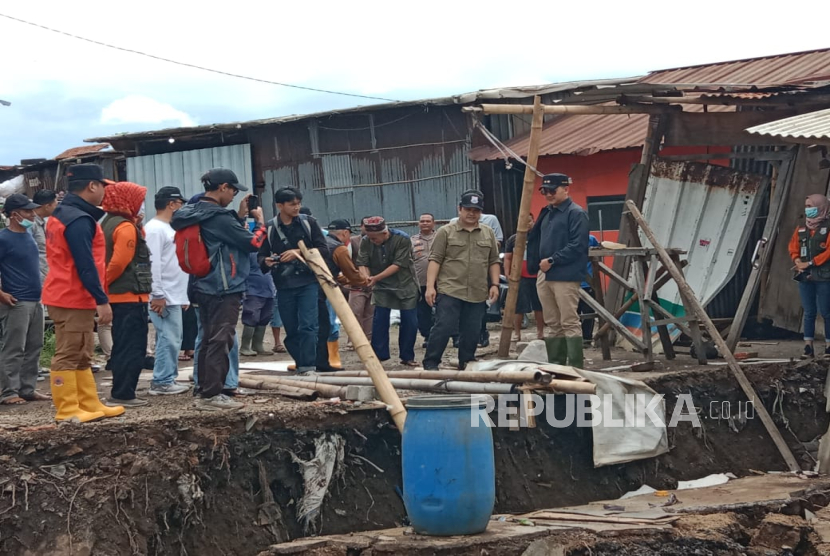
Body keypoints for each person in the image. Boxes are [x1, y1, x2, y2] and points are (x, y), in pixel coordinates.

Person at [172, 168, 266, 410]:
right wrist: (261, 224)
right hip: (225, 287)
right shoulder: (218, 217)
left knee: (206, 339)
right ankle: (212, 395)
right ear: (223, 187)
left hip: (201, 284)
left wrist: (238, 217)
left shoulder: (191, 212)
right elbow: (252, 243)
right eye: (233, 189)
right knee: (221, 339)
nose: (235, 194)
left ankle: (203, 389)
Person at [43, 163, 124, 422]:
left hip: (70, 294)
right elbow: (85, 264)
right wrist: (102, 300)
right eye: (102, 186)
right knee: (69, 352)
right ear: (91, 185)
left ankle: (89, 404)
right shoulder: (78, 219)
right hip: (72, 296)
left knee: (83, 351)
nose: (104, 192)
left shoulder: (65, 214)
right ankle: (67, 410)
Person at [423, 192, 500, 370]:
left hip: (477, 290)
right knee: (444, 325)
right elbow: (435, 259)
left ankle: (466, 362)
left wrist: (494, 284)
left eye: (476, 210)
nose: (471, 213)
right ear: (459, 209)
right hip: (450, 288)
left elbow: (494, 261)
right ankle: (431, 363)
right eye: (467, 209)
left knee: (472, 329)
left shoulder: (488, 233)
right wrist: (430, 287)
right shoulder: (445, 232)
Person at [258, 187, 329, 374]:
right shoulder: (270, 227)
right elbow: (261, 255)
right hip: (283, 284)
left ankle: (308, 366)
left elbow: (323, 249)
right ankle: (301, 363)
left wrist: (299, 252)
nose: (297, 207)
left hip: (308, 282)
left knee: (309, 325)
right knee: (291, 328)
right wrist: (266, 261)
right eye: (292, 204)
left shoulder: (309, 223)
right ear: (279, 206)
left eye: (299, 203)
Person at [528, 173, 589, 368]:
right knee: (553, 322)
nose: (548, 194)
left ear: (566, 189)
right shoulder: (547, 212)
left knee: (569, 322)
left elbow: (578, 245)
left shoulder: (576, 213)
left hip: (565, 274)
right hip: (545, 272)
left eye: (552, 190)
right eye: (545, 191)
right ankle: (557, 366)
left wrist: (553, 260)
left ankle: (576, 368)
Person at [101, 182, 152, 407]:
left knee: (122, 345)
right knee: (132, 347)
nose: (141, 206)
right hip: (129, 297)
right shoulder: (125, 227)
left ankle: (122, 391)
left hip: (119, 297)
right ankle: (124, 393)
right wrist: (104, 284)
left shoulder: (109, 223)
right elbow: (119, 262)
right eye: (139, 201)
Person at [0, 194, 50, 405]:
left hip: (35, 298)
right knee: (13, 347)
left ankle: (27, 388)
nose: (31, 214)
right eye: (27, 211)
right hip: (16, 301)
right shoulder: (3, 238)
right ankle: (8, 391)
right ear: (14, 215)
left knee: (34, 345)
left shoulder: (28, 235)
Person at [144, 186, 190, 395]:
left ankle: (167, 377)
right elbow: (152, 264)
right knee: (168, 338)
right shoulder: (154, 229)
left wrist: (183, 295)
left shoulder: (169, 228)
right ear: (171, 204)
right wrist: (158, 294)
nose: (181, 208)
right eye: (180, 204)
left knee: (173, 338)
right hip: (164, 295)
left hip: (174, 293)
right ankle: (162, 379)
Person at [357, 216, 420, 366]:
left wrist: (375, 278)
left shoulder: (402, 239)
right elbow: (362, 262)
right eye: (369, 237)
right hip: (381, 286)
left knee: (410, 321)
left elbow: (398, 264)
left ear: (385, 233)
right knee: (380, 320)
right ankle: (379, 355)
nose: (372, 241)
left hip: (405, 284)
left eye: (374, 238)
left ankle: (407, 356)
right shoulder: (366, 241)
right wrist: (366, 277)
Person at [790, 194, 830, 359]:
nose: (808, 209)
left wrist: (811, 263)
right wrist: (798, 260)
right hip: (805, 276)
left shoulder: (828, 227)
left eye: (811, 206)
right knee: (809, 311)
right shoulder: (801, 228)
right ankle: (808, 347)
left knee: (826, 312)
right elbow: (793, 246)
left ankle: (828, 346)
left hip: (823, 276)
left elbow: (829, 251)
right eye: (806, 206)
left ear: (821, 207)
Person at [504, 214, 545, 343]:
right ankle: (517, 333)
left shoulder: (539, 237)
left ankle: (540, 332)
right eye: (524, 221)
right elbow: (507, 258)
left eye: (529, 221)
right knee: (519, 306)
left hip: (537, 276)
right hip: (520, 277)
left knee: (539, 306)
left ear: (533, 221)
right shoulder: (513, 239)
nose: (527, 224)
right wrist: (507, 273)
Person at [240, 252, 276, 356]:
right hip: (253, 290)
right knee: (251, 316)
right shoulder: (250, 253)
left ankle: (257, 345)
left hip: (269, 290)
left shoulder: (269, 252)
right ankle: (245, 346)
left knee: (265, 317)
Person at [347, 217, 374, 348]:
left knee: (370, 313)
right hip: (357, 283)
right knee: (355, 311)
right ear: (361, 226)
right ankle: (353, 340)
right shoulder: (353, 242)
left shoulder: (377, 242)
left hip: (375, 281)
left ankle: (367, 339)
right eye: (366, 226)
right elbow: (346, 260)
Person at [411, 213, 437, 346]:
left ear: (434, 223)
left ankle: (455, 336)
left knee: (446, 308)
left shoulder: (440, 238)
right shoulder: (412, 240)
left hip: (441, 281)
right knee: (423, 311)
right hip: (420, 281)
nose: (425, 223)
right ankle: (428, 336)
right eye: (422, 221)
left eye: (428, 221)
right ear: (418, 224)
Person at [578, 235, 601, 345]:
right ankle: (576, 339)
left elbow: (598, 255)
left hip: (588, 284)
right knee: (573, 315)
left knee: (589, 313)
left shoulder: (591, 239)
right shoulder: (565, 238)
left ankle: (587, 339)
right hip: (571, 283)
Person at [32, 189, 58, 284]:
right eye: (55, 205)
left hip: (45, 273)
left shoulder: (43, 222)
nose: (57, 207)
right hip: (37, 276)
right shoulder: (31, 223)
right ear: (47, 206)